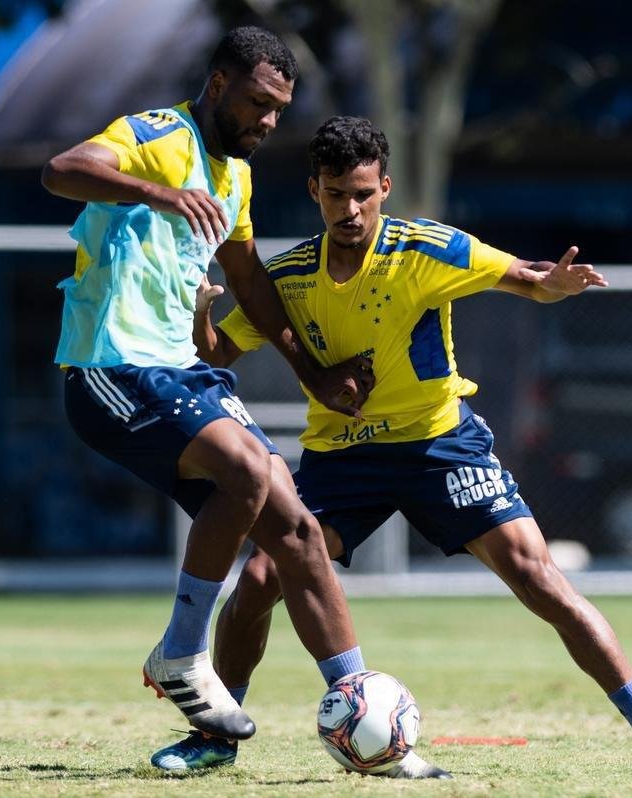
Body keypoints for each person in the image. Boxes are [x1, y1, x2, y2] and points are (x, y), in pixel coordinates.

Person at [155, 115, 632, 775]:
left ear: (385, 188)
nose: (350, 209)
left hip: (440, 444)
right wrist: (200, 313)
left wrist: (552, 285)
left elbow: (524, 277)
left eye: (363, 194)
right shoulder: (290, 275)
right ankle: (214, 736)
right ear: (314, 191)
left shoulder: (428, 247)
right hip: (344, 455)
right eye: (336, 194)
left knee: (539, 578)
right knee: (258, 578)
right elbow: (219, 351)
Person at [41, 29, 410, 769]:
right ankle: (182, 650)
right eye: (258, 102)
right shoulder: (159, 135)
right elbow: (61, 171)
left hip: (180, 372)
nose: (268, 121)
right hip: (112, 365)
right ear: (218, 85)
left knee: (296, 531)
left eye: (279, 110)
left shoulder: (235, 176)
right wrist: (160, 192)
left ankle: (366, 717)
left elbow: (250, 285)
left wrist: (314, 375)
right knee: (245, 468)